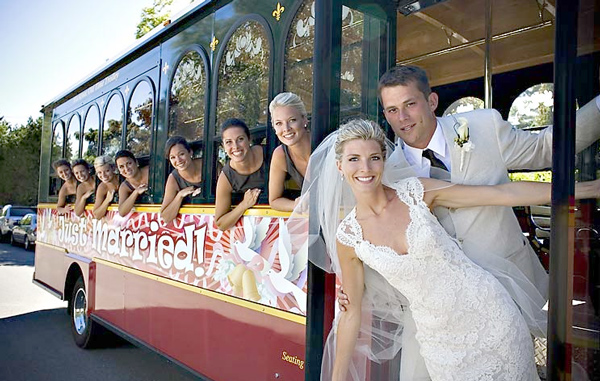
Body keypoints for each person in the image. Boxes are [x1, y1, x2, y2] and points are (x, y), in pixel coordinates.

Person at [307, 119, 600, 381]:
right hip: (441, 343)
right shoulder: (348, 237)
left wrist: (586, 189)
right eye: (354, 159)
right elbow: (350, 313)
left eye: (374, 158)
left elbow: (501, 193)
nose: (365, 168)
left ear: (384, 161)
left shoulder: (416, 192)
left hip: (492, 316)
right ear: (340, 166)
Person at [336, 65, 600, 339]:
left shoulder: (483, 126)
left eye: (410, 104)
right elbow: (376, 236)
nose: (402, 118)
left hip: (509, 281)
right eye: (392, 110)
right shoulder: (384, 172)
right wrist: (355, 287)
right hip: (446, 303)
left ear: (432, 101)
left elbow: (543, 150)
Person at [214, 118, 264, 230]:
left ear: (249, 139)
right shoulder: (226, 177)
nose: (235, 146)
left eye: (240, 139)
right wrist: (244, 205)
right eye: (229, 142)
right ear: (223, 146)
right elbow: (221, 224)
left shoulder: (271, 154)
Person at [268, 92, 311, 211]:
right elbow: (274, 201)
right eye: (279, 123)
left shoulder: (325, 145)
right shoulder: (280, 155)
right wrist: (296, 205)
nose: (286, 129)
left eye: (292, 120)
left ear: (304, 119)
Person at [160, 136, 203, 224]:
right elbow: (165, 218)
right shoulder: (174, 178)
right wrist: (180, 195)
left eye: (181, 154)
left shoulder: (210, 165)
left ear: (190, 152)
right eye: (173, 157)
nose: (178, 160)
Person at [116, 150, 149, 216]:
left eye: (129, 163)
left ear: (136, 162)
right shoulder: (125, 186)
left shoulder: (150, 172)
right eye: (121, 167)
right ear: (119, 170)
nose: (126, 168)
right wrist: (136, 192)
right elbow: (122, 212)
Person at [92, 155, 119, 220]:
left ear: (113, 169)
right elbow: (97, 215)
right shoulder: (102, 187)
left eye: (107, 171)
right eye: (99, 172)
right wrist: (107, 200)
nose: (103, 175)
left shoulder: (123, 179)